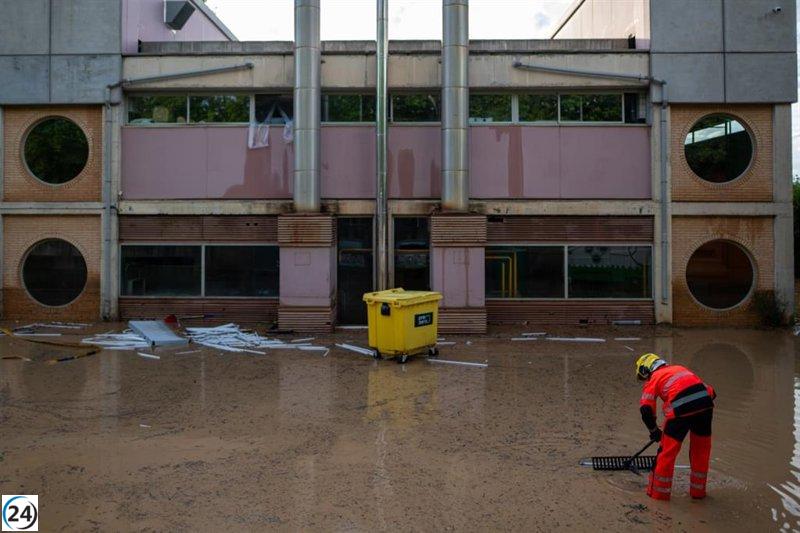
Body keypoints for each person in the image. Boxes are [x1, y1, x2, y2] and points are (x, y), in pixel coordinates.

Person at [636, 353, 716, 501]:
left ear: (646, 370)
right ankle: (698, 494)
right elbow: (711, 392)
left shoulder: (655, 378)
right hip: (706, 406)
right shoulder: (680, 369)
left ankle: (658, 496)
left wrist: (654, 431)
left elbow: (646, 409)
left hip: (680, 410)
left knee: (667, 453)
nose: (645, 380)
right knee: (701, 451)